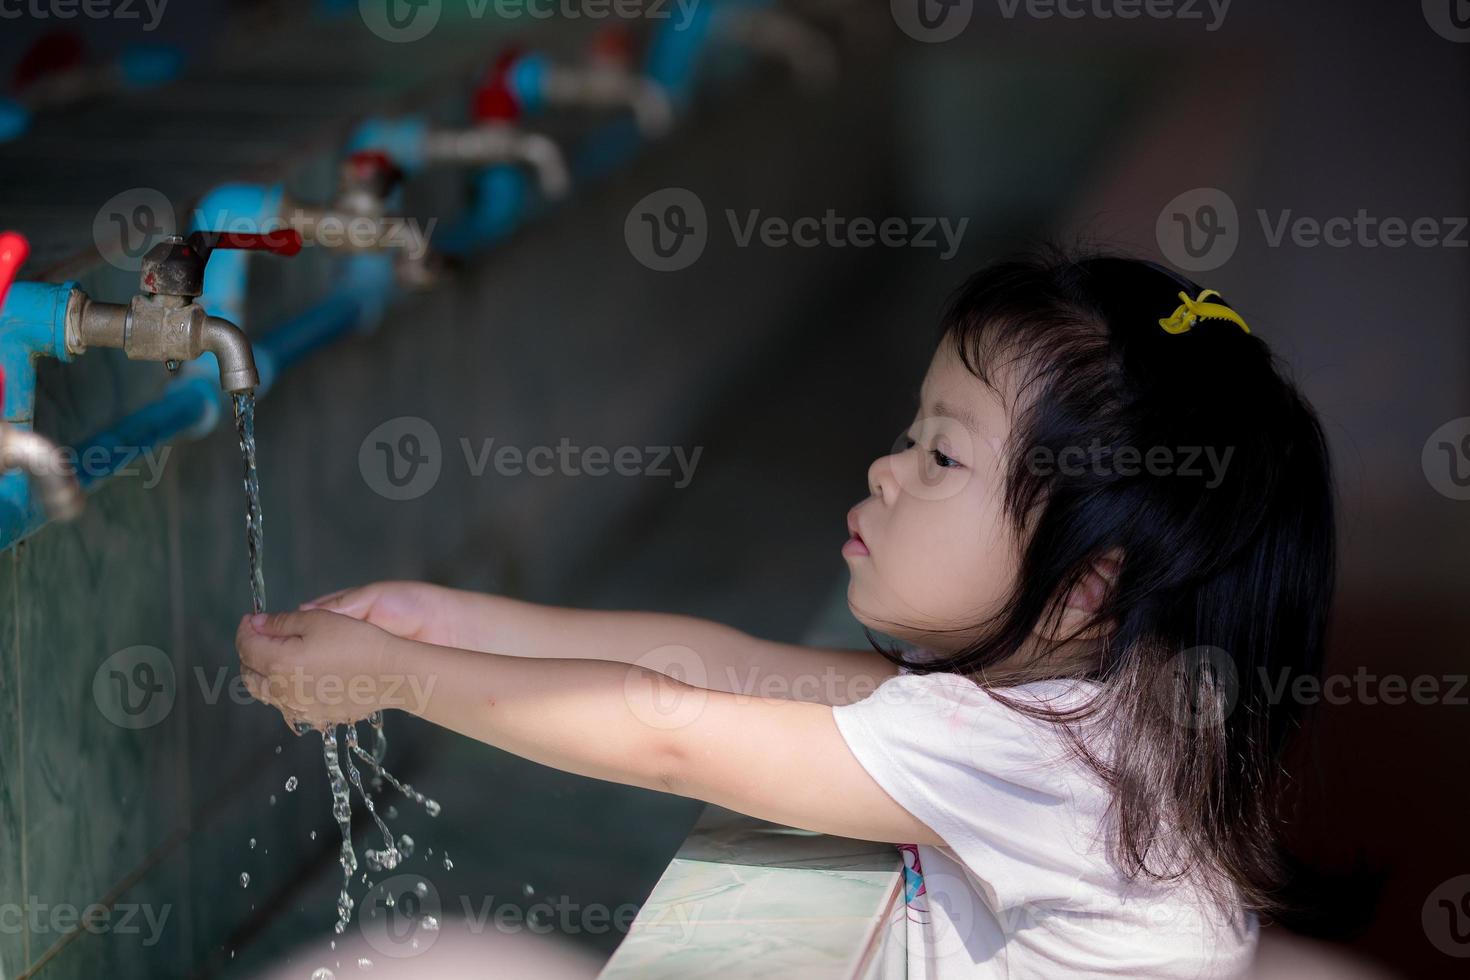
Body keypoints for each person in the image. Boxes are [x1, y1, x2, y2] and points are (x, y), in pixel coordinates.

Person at [237, 246, 1336, 978]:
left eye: (941, 453)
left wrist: (393, 675)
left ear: (1087, 582)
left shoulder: (1033, 753)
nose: (887, 467)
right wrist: (445, 620)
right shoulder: (1107, 701)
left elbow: (669, 730)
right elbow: (732, 666)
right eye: (912, 431)